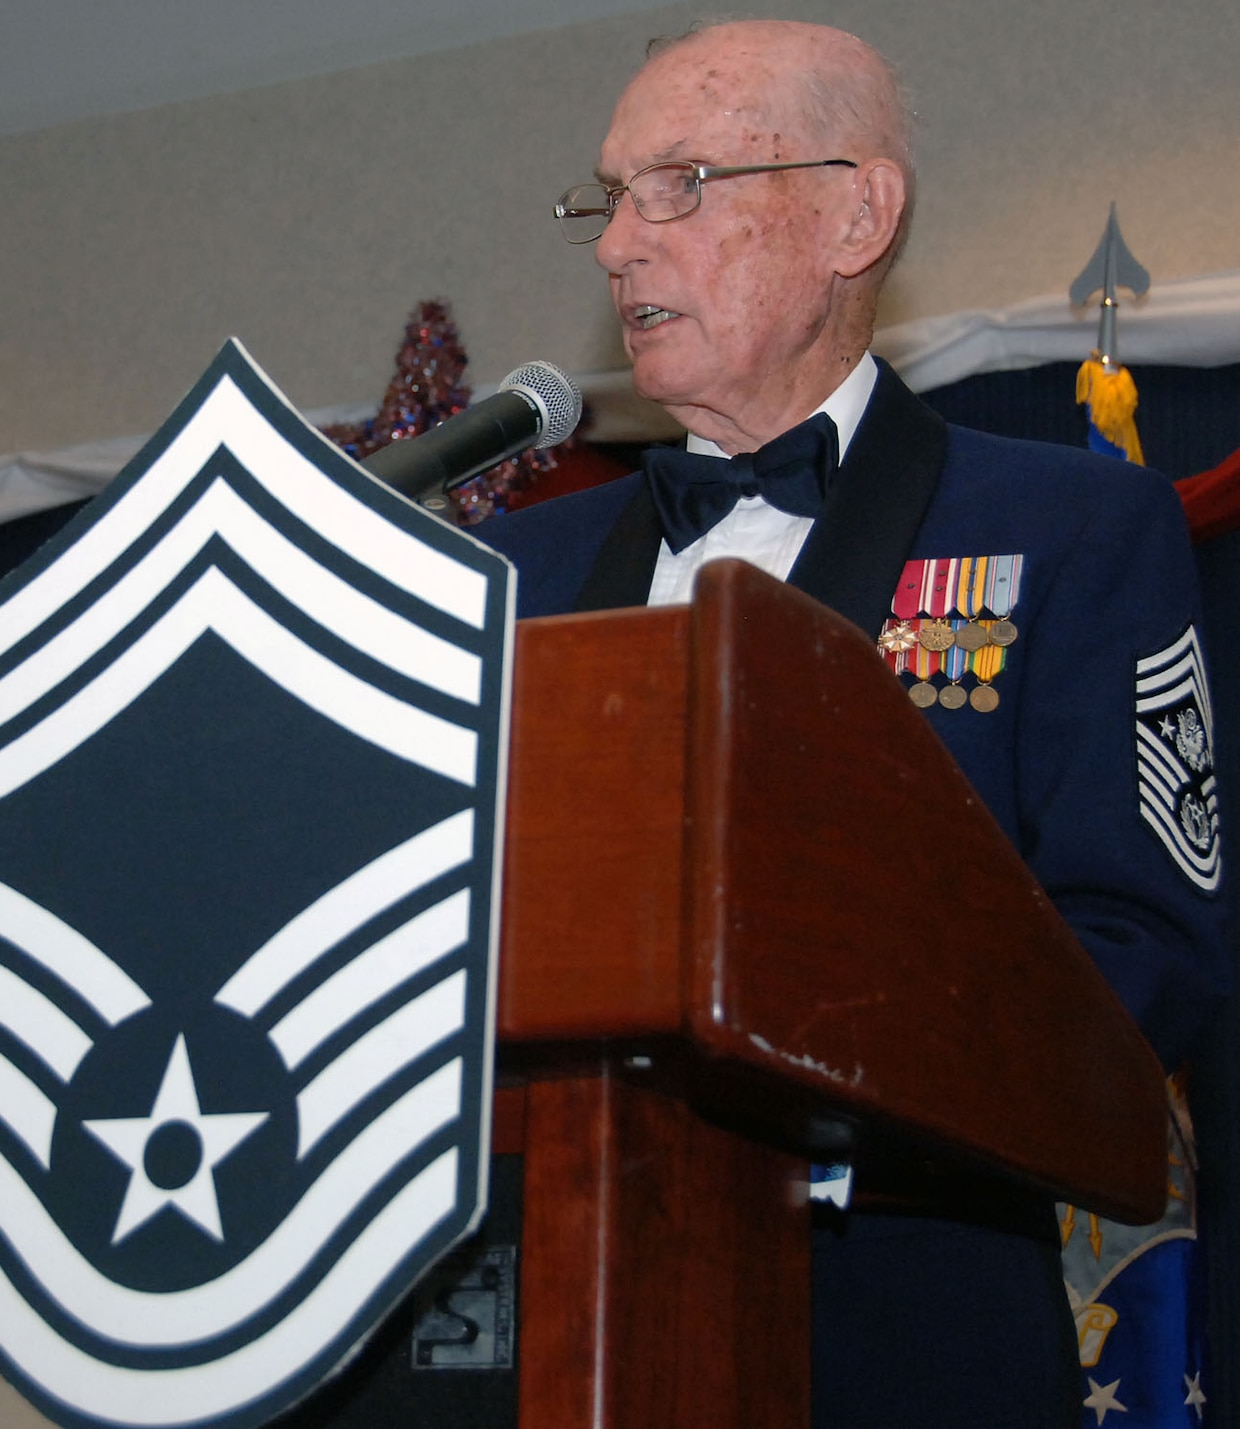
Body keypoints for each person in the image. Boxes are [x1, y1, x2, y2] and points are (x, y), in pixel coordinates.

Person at [472, 20, 1228, 1429]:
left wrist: (811, 1120)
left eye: (682, 183)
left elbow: (1140, 960)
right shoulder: (510, 579)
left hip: (903, 1339)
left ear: (855, 214)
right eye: (611, 196)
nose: (621, 246)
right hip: (539, 1339)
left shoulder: (1067, 530)